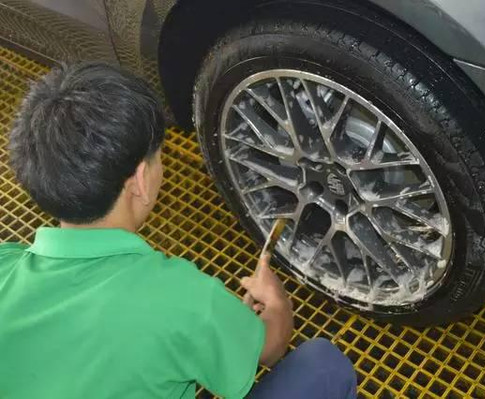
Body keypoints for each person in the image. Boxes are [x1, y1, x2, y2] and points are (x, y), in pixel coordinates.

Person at [0, 63, 357, 399]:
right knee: (323, 365)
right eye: (159, 156)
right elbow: (270, 348)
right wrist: (277, 306)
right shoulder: (183, 299)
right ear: (140, 179)